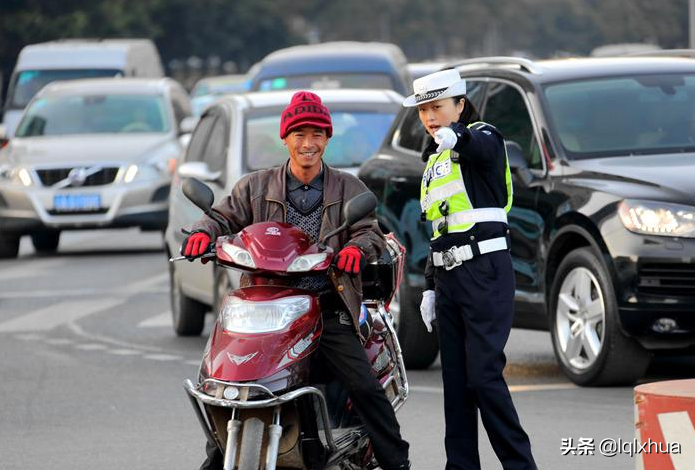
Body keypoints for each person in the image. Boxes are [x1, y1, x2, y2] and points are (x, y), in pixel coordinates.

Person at [181, 91, 411, 470]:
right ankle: (220, 455)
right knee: (224, 384)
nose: (308, 143)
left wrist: (356, 249)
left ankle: (397, 463)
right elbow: (221, 217)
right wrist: (201, 233)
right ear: (285, 138)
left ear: (327, 139)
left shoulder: (347, 188)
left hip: (326, 304)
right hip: (264, 305)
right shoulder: (254, 186)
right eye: (300, 134)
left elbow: (368, 231)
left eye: (317, 134)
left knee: (364, 386)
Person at [405, 69, 537, 470]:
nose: (430, 117)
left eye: (438, 107)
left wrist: (457, 134)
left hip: (484, 271)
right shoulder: (434, 158)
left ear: (460, 105)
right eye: (424, 110)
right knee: (457, 388)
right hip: (447, 279)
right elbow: (440, 227)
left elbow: (481, 146)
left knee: (483, 378)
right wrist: (430, 286)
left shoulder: (483, 137)